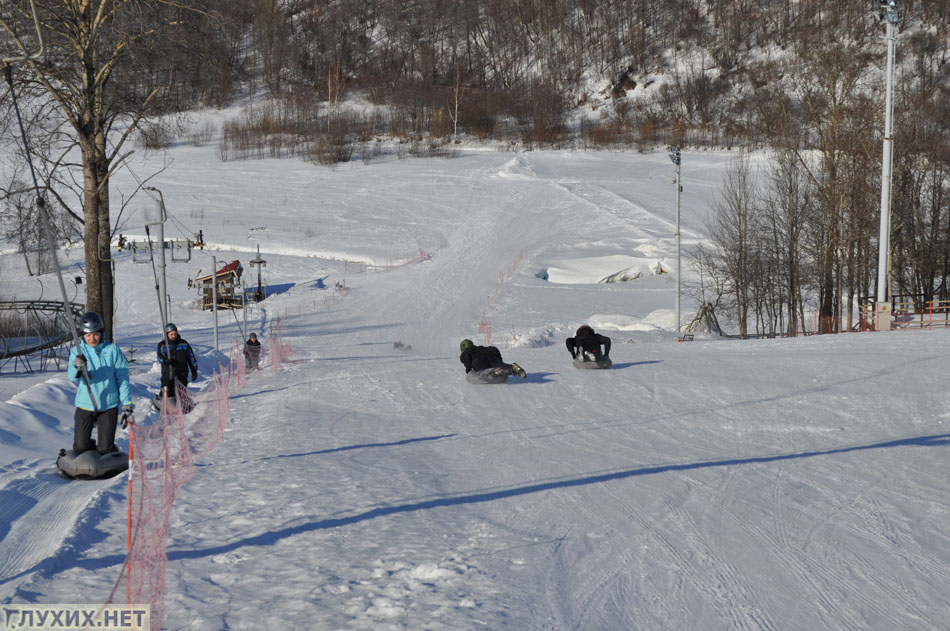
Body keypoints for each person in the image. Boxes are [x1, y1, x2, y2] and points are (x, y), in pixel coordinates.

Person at [67, 312, 133, 454]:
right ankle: (89, 451)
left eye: (95, 334)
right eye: (88, 335)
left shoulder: (112, 350)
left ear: (101, 332)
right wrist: (76, 366)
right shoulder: (77, 351)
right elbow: (72, 378)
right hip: (85, 405)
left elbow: (122, 378)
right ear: (83, 335)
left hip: (108, 405)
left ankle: (107, 451)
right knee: (80, 447)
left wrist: (127, 404)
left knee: (105, 449)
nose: (92, 338)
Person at [157, 322, 198, 397]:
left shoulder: (183, 344)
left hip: (181, 374)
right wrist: (166, 360)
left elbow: (191, 358)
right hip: (167, 375)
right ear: (167, 335)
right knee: (166, 393)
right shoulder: (162, 345)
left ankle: (183, 405)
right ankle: (163, 400)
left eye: (175, 334)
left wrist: (194, 370)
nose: (174, 336)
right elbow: (159, 357)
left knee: (181, 394)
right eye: (171, 334)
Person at [459, 339, 526, 378]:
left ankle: (495, 372)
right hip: (492, 356)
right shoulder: (482, 348)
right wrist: (500, 361)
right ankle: (514, 368)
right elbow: (494, 350)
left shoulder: (466, 352)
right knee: (502, 366)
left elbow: (467, 359)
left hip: (480, 360)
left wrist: (468, 370)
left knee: (482, 372)